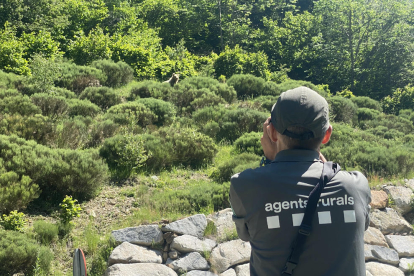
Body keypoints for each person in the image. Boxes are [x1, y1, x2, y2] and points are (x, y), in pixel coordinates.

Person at [230, 86, 371, 276]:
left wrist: (271, 161)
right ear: (327, 135)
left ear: (271, 133)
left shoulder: (243, 186)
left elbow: (246, 235)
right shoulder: (356, 186)